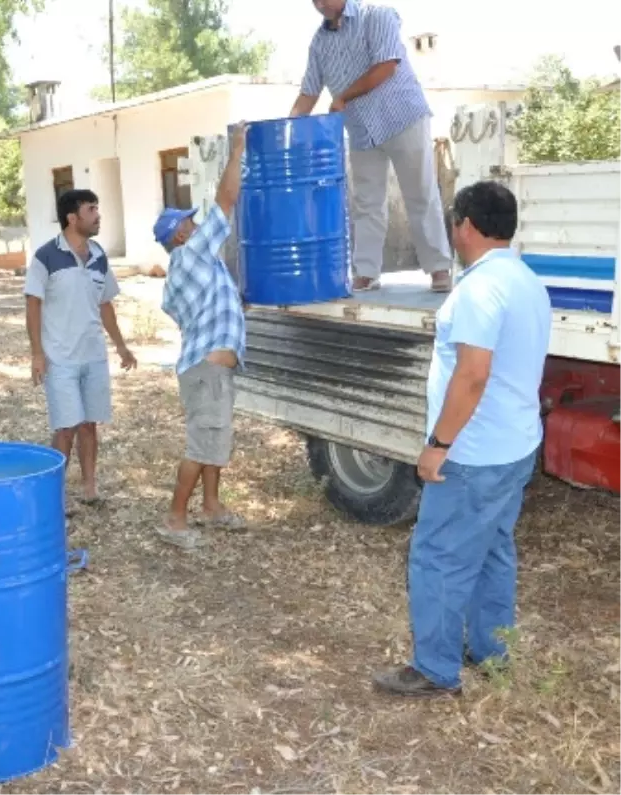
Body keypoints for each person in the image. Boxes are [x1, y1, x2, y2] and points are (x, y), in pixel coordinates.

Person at [373, 181, 552, 697]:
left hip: (473, 453)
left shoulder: (478, 289)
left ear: (465, 226)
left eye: (454, 223)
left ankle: (435, 668)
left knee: (438, 556)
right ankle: (491, 650)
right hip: (515, 444)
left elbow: (472, 375)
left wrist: (439, 444)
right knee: (494, 549)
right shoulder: (525, 280)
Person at [289, 0, 453, 294]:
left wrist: (343, 97)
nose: (320, 4)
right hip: (362, 132)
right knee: (367, 203)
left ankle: (439, 268)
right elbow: (308, 92)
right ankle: (366, 273)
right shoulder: (318, 42)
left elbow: (386, 65)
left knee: (420, 194)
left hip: (403, 118)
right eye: (313, 0)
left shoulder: (377, 15)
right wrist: (286, 130)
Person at [154, 124, 249, 549]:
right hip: (207, 369)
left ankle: (211, 506)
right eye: (189, 223)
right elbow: (226, 201)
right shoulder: (192, 254)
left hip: (205, 367)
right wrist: (238, 149)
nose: (197, 225)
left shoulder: (185, 271)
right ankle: (175, 520)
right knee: (201, 444)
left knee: (214, 439)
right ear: (179, 235)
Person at [24, 188, 137, 505]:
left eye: (97, 208)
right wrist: (37, 353)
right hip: (59, 358)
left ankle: (90, 489)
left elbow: (105, 306)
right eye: (91, 209)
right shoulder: (46, 256)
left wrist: (122, 347)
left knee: (89, 425)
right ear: (72, 218)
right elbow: (33, 304)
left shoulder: (99, 255)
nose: (98, 215)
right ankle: (54, 497)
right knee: (65, 428)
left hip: (94, 357)